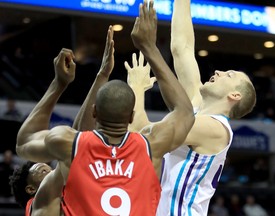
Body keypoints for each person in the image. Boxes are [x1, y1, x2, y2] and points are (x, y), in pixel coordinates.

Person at [16, 4, 195, 214]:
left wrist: (59, 84)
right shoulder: (152, 144)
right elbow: (184, 112)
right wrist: (149, 48)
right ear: (131, 117)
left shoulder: (68, 143)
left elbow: (24, 141)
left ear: (94, 112)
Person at [126, 0, 257, 215]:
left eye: (229, 75)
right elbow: (182, 49)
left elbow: (142, 135)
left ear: (234, 95)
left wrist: (137, 89)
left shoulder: (215, 129)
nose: (220, 72)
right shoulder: (196, 108)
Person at [10, 25, 116, 216]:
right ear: (31, 189)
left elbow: (77, 142)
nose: (50, 171)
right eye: (42, 171)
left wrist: (101, 75)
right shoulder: (39, 202)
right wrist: (59, 83)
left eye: (46, 168)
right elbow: (74, 146)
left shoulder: (64, 193)